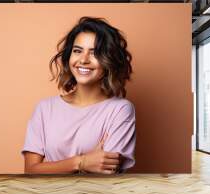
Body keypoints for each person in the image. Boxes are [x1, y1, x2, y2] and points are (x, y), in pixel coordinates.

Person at [22, 17, 135, 174]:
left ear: (109, 60)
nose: (83, 59)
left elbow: (108, 172)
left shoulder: (120, 110)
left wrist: (52, 167)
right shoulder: (45, 108)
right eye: (77, 51)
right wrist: (81, 162)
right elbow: (31, 171)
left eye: (95, 53)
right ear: (69, 57)